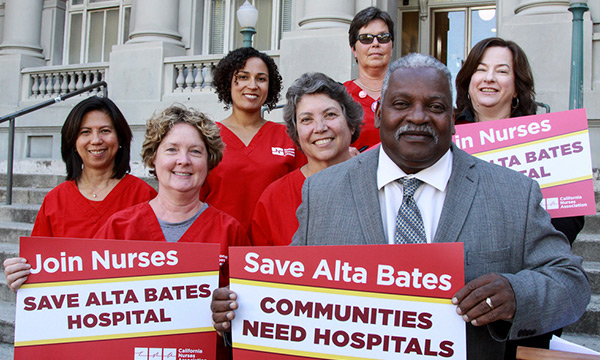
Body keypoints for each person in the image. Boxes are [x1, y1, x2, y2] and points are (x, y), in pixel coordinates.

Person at [211, 54, 590, 359]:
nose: (418, 117)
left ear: (453, 118)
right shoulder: (322, 193)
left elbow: (571, 285)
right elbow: (293, 297)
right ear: (379, 114)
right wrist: (241, 312)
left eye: (436, 106)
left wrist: (515, 293)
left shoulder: (513, 193)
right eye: (401, 104)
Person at [455, 36, 586, 356]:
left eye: (502, 71)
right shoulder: (443, 138)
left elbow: (567, 219)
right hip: (455, 296)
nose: (489, 77)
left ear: (517, 87)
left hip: (521, 295)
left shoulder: (549, 140)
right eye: (481, 69)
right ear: (468, 81)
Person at [3, 96, 157, 291]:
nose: (96, 140)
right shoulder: (55, 200)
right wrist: (21, 277)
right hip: (71, 316)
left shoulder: (144, 195)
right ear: (73, 142)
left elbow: (163, 265)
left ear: (120, 139)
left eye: (105, 131)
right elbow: (37, 268)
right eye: (85, 132)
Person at [94, 105, 249, 286]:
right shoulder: (119, 229)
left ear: (209, 161)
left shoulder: (230, 232)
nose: (183, 160)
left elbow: (247, 302)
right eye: (172, 149)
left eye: (195, 151)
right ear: (153, 157)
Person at [250, 72, 363, 246]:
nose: (319, 128)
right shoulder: (274, 199)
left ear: (351, 124)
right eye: (306, 119)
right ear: (296, 133)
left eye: (330, 115)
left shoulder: (377, 186)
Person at [200, 47, 306, 232]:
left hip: (273, 251)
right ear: (228, 82)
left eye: (261, 79)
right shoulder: (206, 136)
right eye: (243, 77)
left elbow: (304, 194)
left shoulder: (289, 137)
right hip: (220, 244)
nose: (252, 85)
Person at [344, 6, 394, 151]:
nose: (375, 43)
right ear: (353, 49)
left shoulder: (410, 93)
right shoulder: (339, 97)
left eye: (383, 37)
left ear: (391, 46)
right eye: (366, 38)